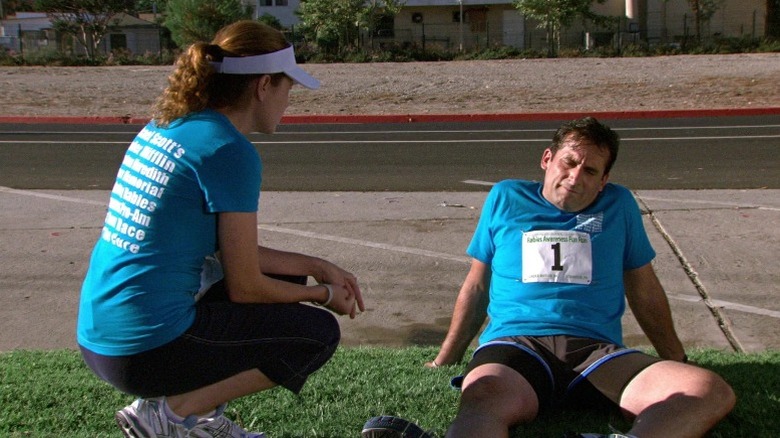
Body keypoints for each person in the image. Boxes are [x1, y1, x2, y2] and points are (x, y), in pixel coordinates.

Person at [77, 20, 364, 438]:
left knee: (287, 277)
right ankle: (173, 414)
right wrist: (322, 296)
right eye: (288, 89)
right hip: (143, 351)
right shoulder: (230, 152)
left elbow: (230, 255)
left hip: (100, 338)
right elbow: (246, 285)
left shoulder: (168, 125)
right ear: (264, 85)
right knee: (316, 334)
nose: (289, 101)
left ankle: (189, 413)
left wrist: (318, 266)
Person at [362, 117, 735, 438]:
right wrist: (446, 357)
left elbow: (643, 287)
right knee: (483, 397)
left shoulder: (619, 205)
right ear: (547, 159)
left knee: (707, 390)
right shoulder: (506, 197)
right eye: (568, 163)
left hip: (596, 353)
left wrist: (676, 357)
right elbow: (477, 284)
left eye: (590, 171)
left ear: (604, 179)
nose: (575, 178)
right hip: (517, 346)